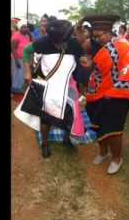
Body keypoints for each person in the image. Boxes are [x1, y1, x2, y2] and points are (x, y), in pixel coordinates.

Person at [15, 17, 90, 158]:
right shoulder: (43, 42)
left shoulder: (73, 44)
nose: (59, 45)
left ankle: (67, 139)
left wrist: (85, 61)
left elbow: (83, 57)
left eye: (62, 42)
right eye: (56, 42)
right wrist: (27, 72)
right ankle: (45, 143)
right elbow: (26, 51)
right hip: (49, 85)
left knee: (70, 114)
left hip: (68, 85)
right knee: (46, 117)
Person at [81, 15, 129, 175]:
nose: (97, 39)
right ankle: (103, 152)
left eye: (99, 35)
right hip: (99, 92)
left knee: (113, 128)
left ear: (108, 32)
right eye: (94, 36)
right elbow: (99, 68)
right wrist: (90, 64)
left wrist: (113, 93)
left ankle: (116, 158)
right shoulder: (104, 46)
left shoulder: (122, 46)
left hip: (118, 95)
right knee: (98, 124)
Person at [11, 19, 32, 94]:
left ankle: (21, 89)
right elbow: (13, 49)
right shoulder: (16, 36)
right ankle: (15, 89)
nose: (25, 28)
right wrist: (16, 60)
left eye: (26, 27)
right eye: (23, 27)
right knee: (17, 74)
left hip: (25, 59)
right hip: (18, 59)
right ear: (19, 27)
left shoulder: (27, 36)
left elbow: (29, 46)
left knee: (23, 74)